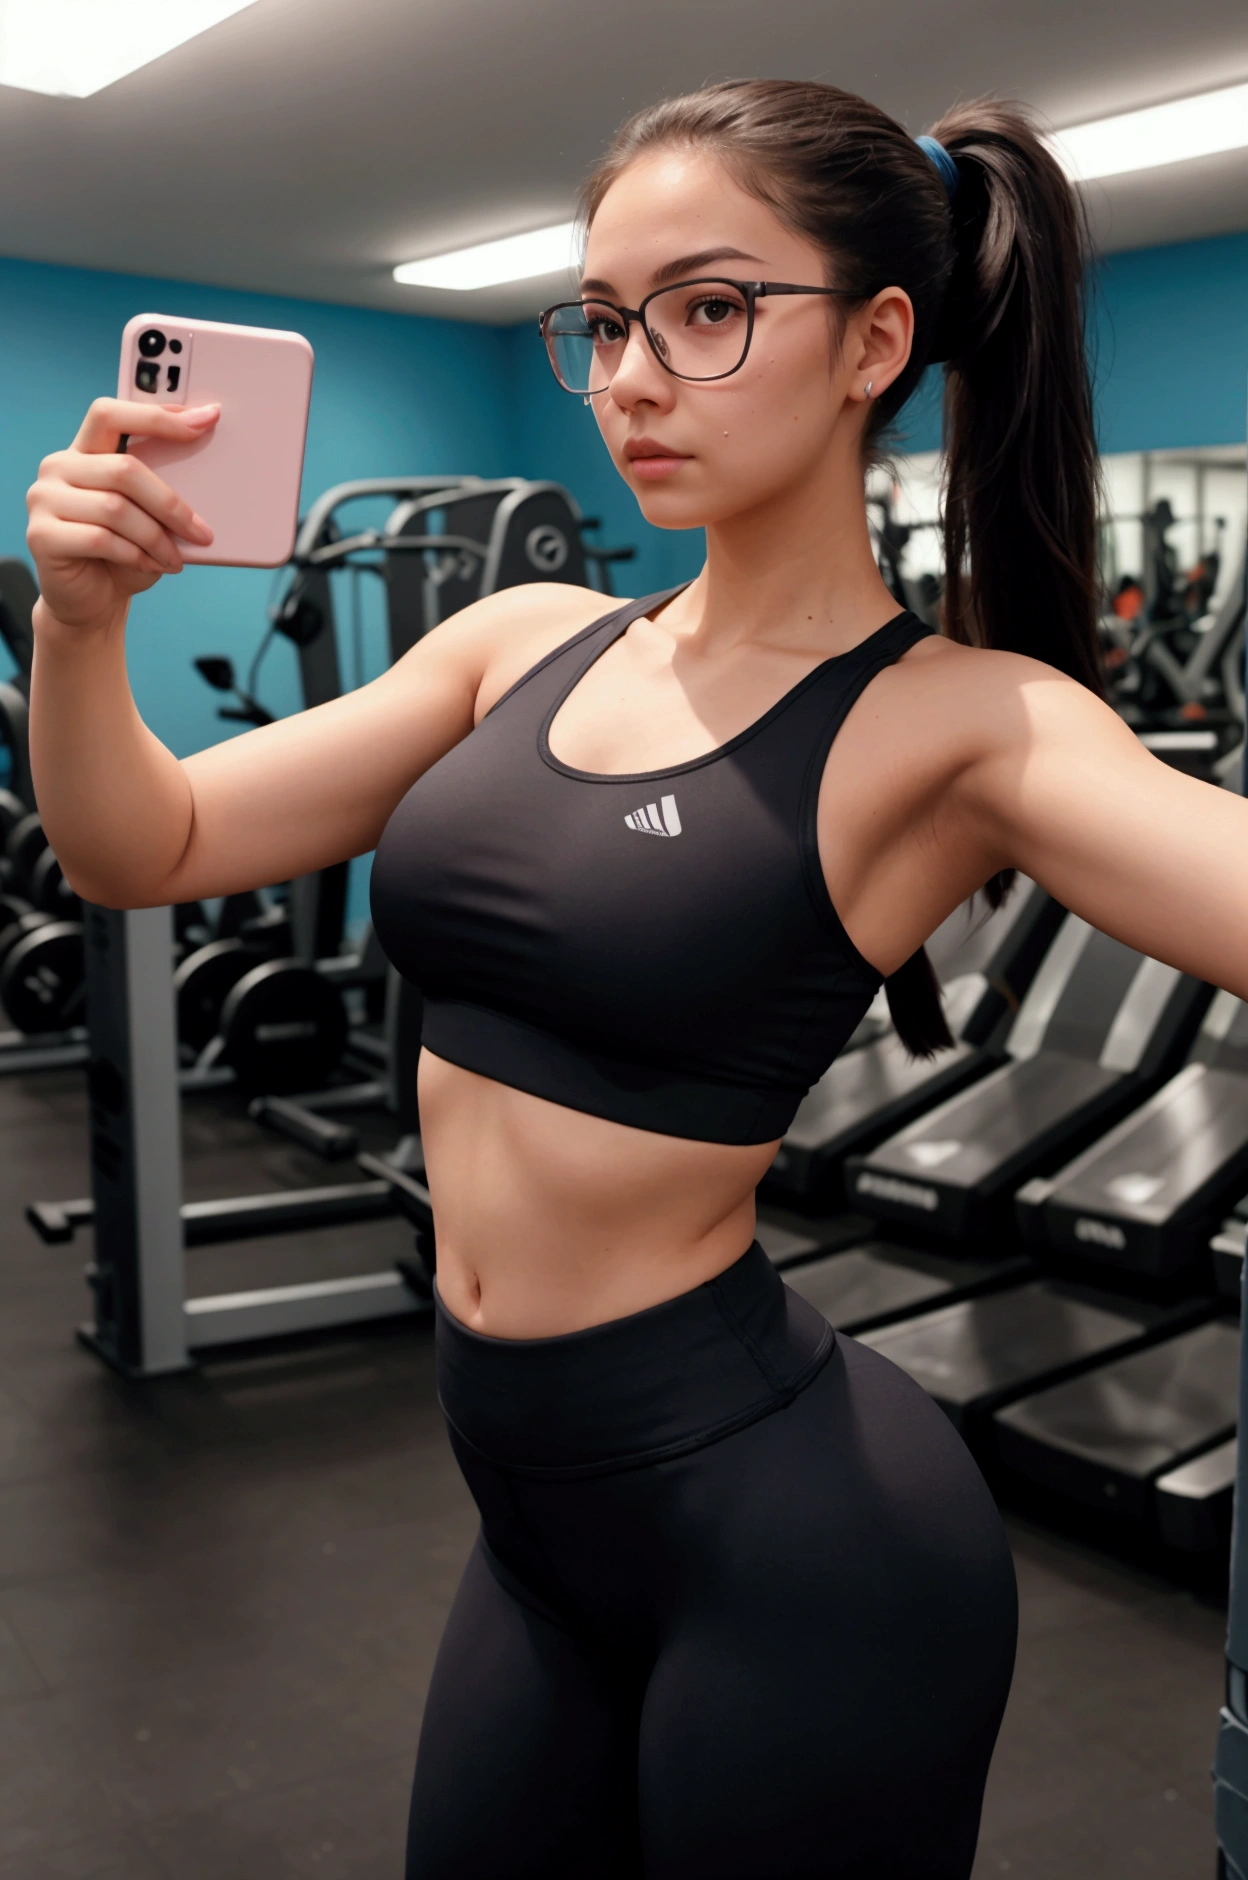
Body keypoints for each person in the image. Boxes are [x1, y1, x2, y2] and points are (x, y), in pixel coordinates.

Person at [22, 75, 1247, 1880]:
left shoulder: (970, 726)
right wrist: (80, 626)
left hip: (798, 1544)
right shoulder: (517, 640)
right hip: (532, 1530)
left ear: (873, 342)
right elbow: (154, 848)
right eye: (603, 322)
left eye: (709, 308)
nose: (631, 377)